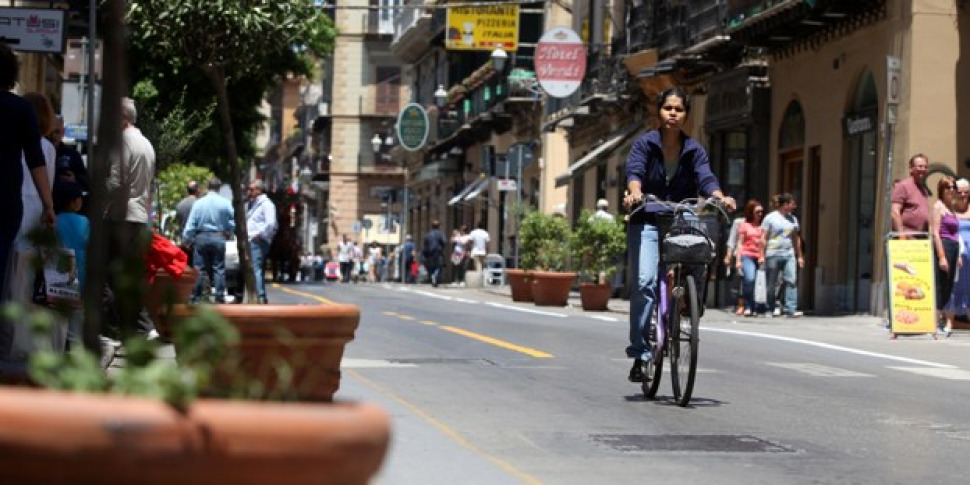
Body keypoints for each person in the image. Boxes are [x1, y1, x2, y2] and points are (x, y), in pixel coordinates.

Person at [622, 87, 736, 383]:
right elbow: (634, 173)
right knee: (645, 281)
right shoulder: (645, 144)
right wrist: (635, 193)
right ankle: (640, 354)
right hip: (646, 215)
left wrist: (720, 197)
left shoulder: (694, 149)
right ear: (658, 111)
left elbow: (706, 177)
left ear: (686, 115)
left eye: (679, 109)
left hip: (679, 212)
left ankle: (688, 300)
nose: (673, 113)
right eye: (667, 108)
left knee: (698, 250)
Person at [104, 97, 157, 339]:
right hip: (138, 216)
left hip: (121, 215)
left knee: (111, 274)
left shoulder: (124, 141)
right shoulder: (146, 143)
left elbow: (116, 181)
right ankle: (141, 328)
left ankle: (116, 330)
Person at [183, 178, 235, 304]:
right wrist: (229, 233)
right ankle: (219, 297)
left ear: (207, 187)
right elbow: (232, 222)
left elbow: (191, 224)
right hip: (218, 237)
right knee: (219, 268)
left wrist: (186, 239)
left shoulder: (199, 203)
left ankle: (196, 297)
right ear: (219, 188)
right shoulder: (225, 203)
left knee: (199, 269)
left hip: (201, 237)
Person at [53, 180, 89, 345]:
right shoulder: (84, 222)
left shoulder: (53, 221)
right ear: (75, 201)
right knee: (76, 327)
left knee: (56, 324)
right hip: (79, 279)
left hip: (55, 279)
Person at [759, 193, 804, 318]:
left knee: (791, 280)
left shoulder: (793, 219)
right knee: (771, 283)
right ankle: (770, 307)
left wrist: (799, 256)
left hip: (789, 254)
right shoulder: (770, 218)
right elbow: (763, 238)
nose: (794, 206)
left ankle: (791, 309)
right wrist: (761, 255)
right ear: (785, 204)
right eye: (792, 204)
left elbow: (796, 238)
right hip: (772, 253)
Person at [931, 176, 961, 335]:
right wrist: (941, 256)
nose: (951, 190)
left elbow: (956, 233)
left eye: (953, 187)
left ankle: (940, 321)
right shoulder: (939, 206)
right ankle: (934, 323)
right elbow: (935, 233)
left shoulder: (952, 208)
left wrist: (959, 256)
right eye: (948, 187)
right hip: (945, 245)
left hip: (954, 247)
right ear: (941, 190)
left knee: (949, 285)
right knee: (941, 285)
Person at [944, 178, 970, 337]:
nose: (963, 195)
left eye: (966, 192)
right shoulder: (950, 210)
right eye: (960, 192)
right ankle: (949, 322)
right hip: (957, 253)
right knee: (953, 286)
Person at [246, 179, 277, 303]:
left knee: (256, 268)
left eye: (252, 189)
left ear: (259, 190)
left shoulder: (266, 204)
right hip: (252, 240)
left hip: (258, 241)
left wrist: (260, 235)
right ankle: (257, 294)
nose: (250, 192)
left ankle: (260, 296)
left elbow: (271, 223)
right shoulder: (254, 204)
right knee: (255, 268)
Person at [733, 200, 765, 316]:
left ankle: (756, 306)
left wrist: (763, 256)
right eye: (757, 212)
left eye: (761, 212)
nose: (760, 214)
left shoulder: (763, 226)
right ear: (751, 212)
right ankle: (747, 305)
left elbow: (764, 243)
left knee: (759, 284)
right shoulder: (745, 225)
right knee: (749, 279)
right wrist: (738, 260)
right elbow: (740, 243)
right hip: (747, 255)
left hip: (760, 257)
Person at [891, 154, 930, 238]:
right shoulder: (903, 186)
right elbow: (894, 212)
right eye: (920, 166)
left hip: (921, 237)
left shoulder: (923, 189)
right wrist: (901, 235)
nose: (923, 169)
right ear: (911, 169)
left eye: (925, 167)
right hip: (907, 238)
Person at [50, 115, 90, 196]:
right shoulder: (37, 153)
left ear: (63, 132)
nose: (53, 136)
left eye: (57, 132)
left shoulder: (72, 155)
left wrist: (74, 179)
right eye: (50, 132)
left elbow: (86, 182)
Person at [723, 215, 746, 315]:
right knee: (740, 280)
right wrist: (728, 255)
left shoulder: (761, 222)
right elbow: (732, 241)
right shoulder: (739, 222)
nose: (759, 214)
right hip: (740, 255)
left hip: (757, 254)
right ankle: (740, 304)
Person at [422, 220, 448, 287]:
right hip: (438, 252)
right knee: (439, 266)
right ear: (438, 226)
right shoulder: (441, 234)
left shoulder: (428, 234)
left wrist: (424, 254)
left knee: (431, 266)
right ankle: (435, 276)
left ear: (432, 226)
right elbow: (445, 242)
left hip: (429, 253)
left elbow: (425, 244)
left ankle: (432, 276)